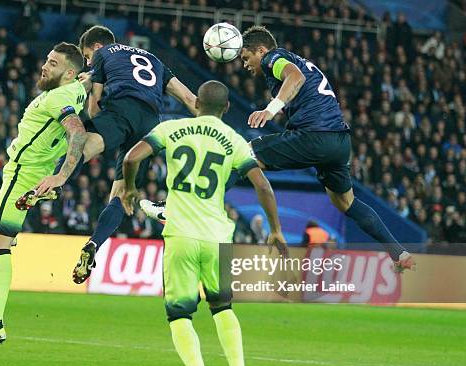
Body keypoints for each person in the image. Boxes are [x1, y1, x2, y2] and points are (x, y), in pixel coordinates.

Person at [143, 26, 415, 273]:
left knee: (242, 154)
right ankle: (398, 252)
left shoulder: (274, 58)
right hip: (339, 141)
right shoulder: (299, 61)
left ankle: (177, 210)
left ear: (261, 50)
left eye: (246, 58)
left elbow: (293, 77)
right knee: (345, 202)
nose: (246, 65)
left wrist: (271, 109)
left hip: (313, 135)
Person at [121, 81, 287, 366]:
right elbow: (263, 186)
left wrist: (129, 189)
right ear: (226, 108)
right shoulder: (236, 142)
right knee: (223, 308)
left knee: (179, 316)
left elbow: (131, 158)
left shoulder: (172, 127)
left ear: (195, 103)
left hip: (180, 234)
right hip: (216, 237)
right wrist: (276, 229)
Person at [31, 25, 198, 285]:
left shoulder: (103, 54)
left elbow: (96, 104)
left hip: (122, 110)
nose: (88, 62)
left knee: (82, 148)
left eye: (86, 57)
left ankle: (55, 182)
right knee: (122, 196)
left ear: (95, 47)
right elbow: (189, 98)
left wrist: (96, 120)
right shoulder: (155, 61)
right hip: (151, 123)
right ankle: (94, 243)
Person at [0, 42, 88, 349]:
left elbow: (77, 132)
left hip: (22, 172)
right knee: (4, 239)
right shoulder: (75, 89)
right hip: (35, 170)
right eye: (47, 59)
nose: (45, 65)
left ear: (68, 72)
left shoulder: (57, 98)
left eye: (53, 63)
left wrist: (60, 176)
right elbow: (88, 80)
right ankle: (39, 195)